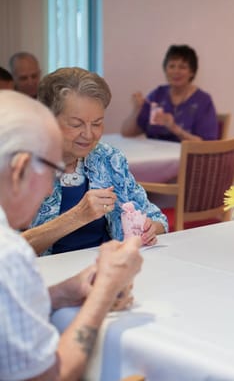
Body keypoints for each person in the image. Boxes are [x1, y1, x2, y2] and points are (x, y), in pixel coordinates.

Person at [0, 90, 143, 380]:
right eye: (52, 173)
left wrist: (63, 292)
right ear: (19, 171)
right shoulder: (9, 254)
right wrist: (104, 291)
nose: (52, 190)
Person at [23, 67, 168, 255]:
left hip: (104, 268)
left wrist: (150, 228)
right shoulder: (20, 165)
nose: (89, 135)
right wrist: (77, 216)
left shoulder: (108, 158)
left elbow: (157, 218)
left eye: (97, 123)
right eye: (76, 124)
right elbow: (8, 249)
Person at [121, 44, 219, 142]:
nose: (176, 71)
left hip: (185, 156)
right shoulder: (157, 95)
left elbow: (207, 145)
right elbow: (127, 133)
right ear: (165, 69)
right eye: (171, 66)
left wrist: (175, 129)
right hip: (154, 154)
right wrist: (136, 110)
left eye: (182, 67)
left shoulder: (203, 101)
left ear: (192, 72)